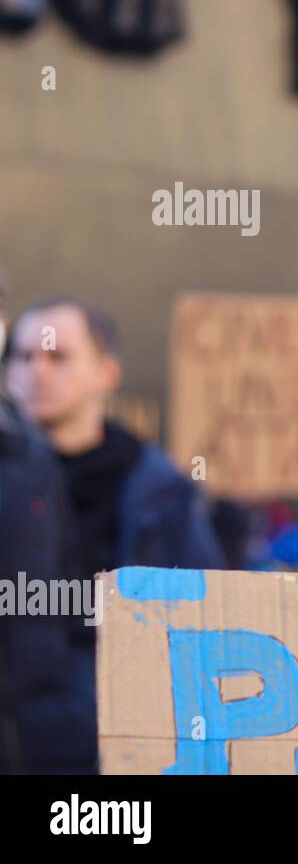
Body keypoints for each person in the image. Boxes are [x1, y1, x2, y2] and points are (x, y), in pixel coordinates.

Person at [4, 296, 226, 580]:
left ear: (107, 372)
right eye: (23, 357)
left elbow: (198, 609)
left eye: (57, 357)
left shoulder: (163, 492)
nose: (36, 372)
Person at [0, 269, 98, 773]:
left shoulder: (29, 456)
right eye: (28, 356)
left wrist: (75, 714)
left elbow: (69, 597)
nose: (37, 371)